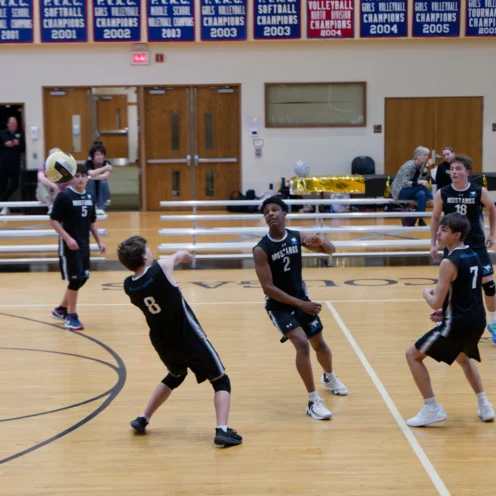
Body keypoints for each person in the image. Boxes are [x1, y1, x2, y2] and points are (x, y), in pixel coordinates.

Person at [117, 235, 242, 447]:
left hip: (163, 342)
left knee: (175, 375)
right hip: (189, 336)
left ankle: (143, 418)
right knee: (221, 380)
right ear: (143, 255)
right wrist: (185, 255)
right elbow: (178, 256)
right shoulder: (162, 267)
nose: (151, 252)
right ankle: (222, 430)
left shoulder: (128, 285)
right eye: (148, 249)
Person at [252, 196, 347, 421]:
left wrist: (321, 242)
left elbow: (331, 251)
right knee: (302, 344)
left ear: (285, 214)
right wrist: (301, 304)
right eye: (266, 211)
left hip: (301, 300)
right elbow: (268, 289)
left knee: (319, 344)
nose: (270, 214)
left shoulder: (297, 237)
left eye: (275, 209)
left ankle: (329, 377)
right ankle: (313, 401)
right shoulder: (261, 249)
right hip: (279, 306)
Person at [406, 212, 494, 427]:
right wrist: (446, 311)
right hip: (477, 320)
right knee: (463, 358)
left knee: (412, 356)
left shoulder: (448, 262)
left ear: (456, 235)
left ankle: (431, 408)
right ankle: (485, 405)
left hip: (458, 324)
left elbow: (435, 301)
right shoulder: (474, 254)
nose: (438, 232)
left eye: (443, 230)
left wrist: (426, 293)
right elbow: (466, 292)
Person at [429, 154, 496, 342]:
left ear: (467, 172)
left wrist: (492, 234)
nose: (454, 172)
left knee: (489, 285)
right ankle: (446, 318)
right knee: (450, 284)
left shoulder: (478, 191)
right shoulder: (443, 193)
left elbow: (492, 208)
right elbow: (435, 218)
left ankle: (493, 323)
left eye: (458, 169)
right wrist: (433, 242)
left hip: (476, 244)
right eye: (452, 169)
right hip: (453, 246)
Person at [50, 165, 106, 331]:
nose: (81, 178)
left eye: (83, 175)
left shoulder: (90, 196)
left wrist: (99, 241)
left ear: (87, 178)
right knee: (75, 279)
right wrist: (67, 238)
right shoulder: (64, 196)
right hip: (70, 246)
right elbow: (53, 220)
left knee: (83, 278)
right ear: (71, 178)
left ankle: (61, 309)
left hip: (84, 245)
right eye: (77, 176)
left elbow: (92, 221)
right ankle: (71, 315)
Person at [390, 146, 435, 226]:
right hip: (400, 191)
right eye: (424, 155)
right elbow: (405, 183)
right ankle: (434, 203)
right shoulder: (408, 165)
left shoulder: (421, 166)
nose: (427, 157)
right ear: (417, 155)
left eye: (427, 155)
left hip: (411, 190)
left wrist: (427, 167)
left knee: (421, 193)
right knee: (422, 187)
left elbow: (421, 178)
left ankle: (421, 219)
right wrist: (420, 182)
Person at [0, 116, 25, 215]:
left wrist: (18, 144)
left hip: (15, 164)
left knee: (15, 183)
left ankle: (4, 198)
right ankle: (3, 207)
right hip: (3, 164)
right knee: (2, 186)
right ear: (8, 124)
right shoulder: (2, 134)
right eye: (11, 123)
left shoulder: (20, 134)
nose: (13, 125)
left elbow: (24, 149)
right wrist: (5, 145)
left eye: (15, 123)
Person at [36, 148, 69, 213]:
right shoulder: (44, 166)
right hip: (45, 196)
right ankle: (51, 207)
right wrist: (53, 186)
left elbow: (69, 185)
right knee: (41, 183)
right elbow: (40, 177)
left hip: (59, 195)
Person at [85, 142, 112, 215]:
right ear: (93, 156)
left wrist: (90, 177)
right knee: (90, 182)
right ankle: (92, 206)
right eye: (97, 155)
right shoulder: (89, 163)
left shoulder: (107, 162)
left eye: (101, 154)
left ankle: (100, 207)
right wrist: (105, 168)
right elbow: (91, 173)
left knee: (103, 181)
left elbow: (104, 176)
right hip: (91, 189)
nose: (100, 156)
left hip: (103, 190)